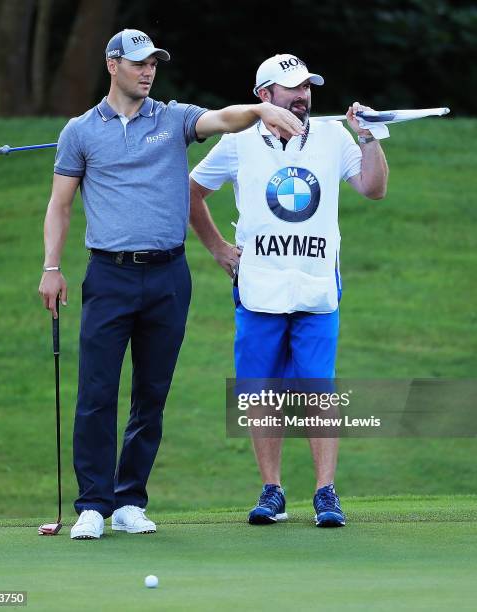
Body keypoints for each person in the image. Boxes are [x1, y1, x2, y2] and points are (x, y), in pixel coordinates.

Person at [38, 32, 304, 540]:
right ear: (112, 65)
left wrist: (260, 111)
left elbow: (220, 119)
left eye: (154, 63)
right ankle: (93, 505)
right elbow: (60, 204)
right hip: (109, 274)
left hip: (168, 276)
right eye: (139, 63)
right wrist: (52, 267)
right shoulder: (80, 132)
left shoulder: (173, 118)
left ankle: (129, 500)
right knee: (96, 392)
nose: (148, 71)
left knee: (151, 393)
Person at [189, 54, 389, 527]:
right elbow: (191, 190)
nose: (303, 95)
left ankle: (326, 493)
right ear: (264, 95)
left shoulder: (330, 135)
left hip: (317, 287)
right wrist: (217, 247)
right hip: (258, 287)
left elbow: (373, 187)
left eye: (306, 87)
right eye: (291, 88)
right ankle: (272, 490)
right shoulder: (238, 140)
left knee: (319, 391)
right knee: (261, 393)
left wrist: (368, 137)